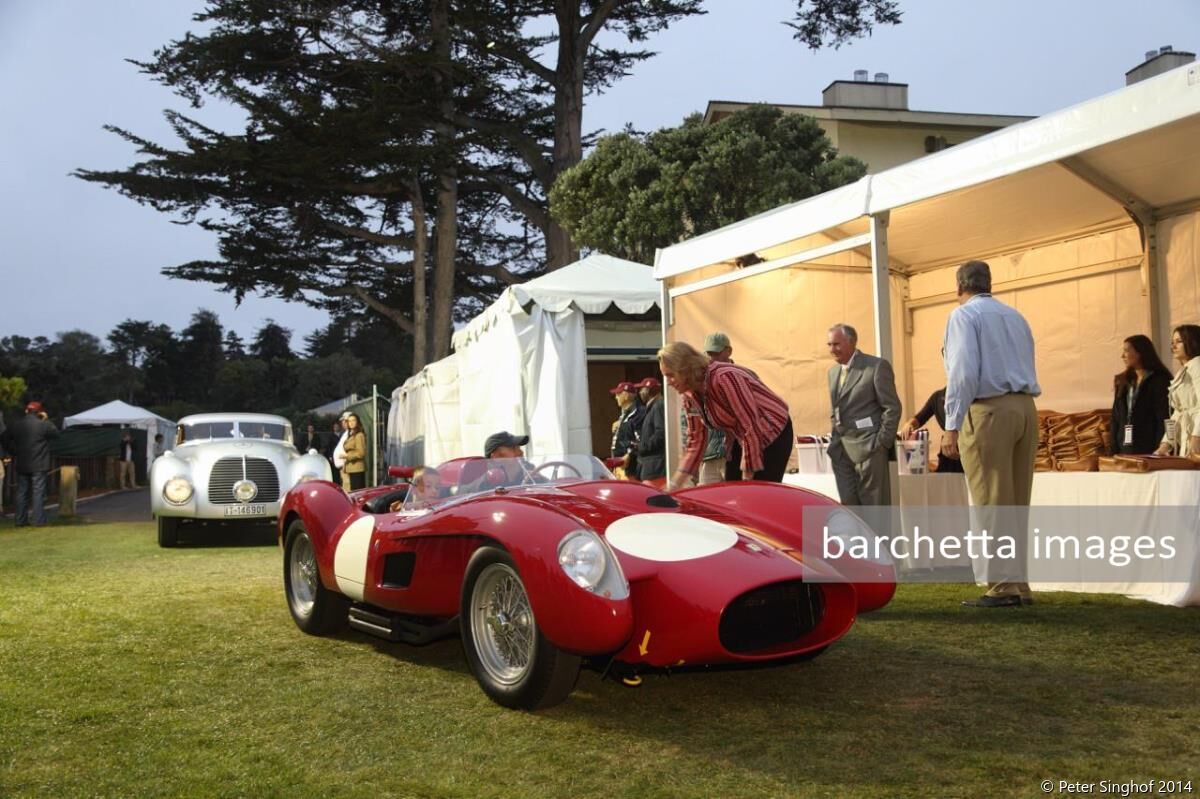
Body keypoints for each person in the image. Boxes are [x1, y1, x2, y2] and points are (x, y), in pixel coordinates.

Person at [942, 260, 1041, 608]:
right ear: (990, 283)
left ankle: (1002, 586)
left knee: (991, 501)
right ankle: (1019, 583)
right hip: (1025, 407)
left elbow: (963, 373)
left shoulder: (964, 316)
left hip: (989, 410)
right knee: (1016, 502)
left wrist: (951, 424)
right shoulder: (1016, 316)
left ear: (959, 287)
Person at [660, 342, 793, 491]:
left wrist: (748, 476)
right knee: (734, 490)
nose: (668, 383)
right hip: (742, 434)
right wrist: (674, 484)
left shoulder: (724, 377)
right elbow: (696, 441)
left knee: (756, 492)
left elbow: (749, 424)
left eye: (670, 375)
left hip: (772, 431)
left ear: (684, 369)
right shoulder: (690, 394)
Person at [826, 323, 902, 505]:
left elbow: (892, 408)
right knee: (850, 508)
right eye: (829, 345)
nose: (832, 350)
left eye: (836, 344)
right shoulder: (833, 373)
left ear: (851, 342)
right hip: (841, 451)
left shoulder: (876, 367)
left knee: (874, 511)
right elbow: (836, 409)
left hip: (869, 449)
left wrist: (881, 443)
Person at [1110, 334, 1171, 455]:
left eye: (1127, 351)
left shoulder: (1160, 380)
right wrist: (1112, 449)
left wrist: (1160, 447)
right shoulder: (1122, 380)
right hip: (1123, 445)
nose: (1123, 356)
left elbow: (1163, 416)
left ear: (1140, 353)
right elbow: (1115, 417)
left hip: (1149, 446)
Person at [7, 401, 60, 527]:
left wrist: (14, 451)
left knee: (21, 492)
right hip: (39, 463)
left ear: (26, 411)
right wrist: (46, 420)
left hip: (22, 462)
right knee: (38, 492)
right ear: (39, 412)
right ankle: (38, 520)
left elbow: (4, 439)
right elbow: (56, 434)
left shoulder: (17, 424)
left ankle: (20, 520)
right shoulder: (43, 425)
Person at [1154, 324, 1200, 457]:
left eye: (1179, 342)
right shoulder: (1184, 370)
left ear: (1193, 342)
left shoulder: (1197, 364)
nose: (1173, 346)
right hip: (1189, 435)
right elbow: (1177, 414)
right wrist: (1166, 444)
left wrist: (1197, 436)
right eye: (1172, 342)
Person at [899, 387, 963, 473]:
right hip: (948, 449)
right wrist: (909, 424)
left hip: (967, 446)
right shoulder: (937, 397)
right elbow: (920, 418)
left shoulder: (966, 394)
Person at [635, 377, 666, 486]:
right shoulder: (652, 407)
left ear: (649, 390)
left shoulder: (658, 406)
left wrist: (642, 447)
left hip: (655, 467)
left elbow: (660, 433)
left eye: (642, 389)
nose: (639, 393)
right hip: (650, 466)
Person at [608, 381, 642, 478]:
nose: (616, 397)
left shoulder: (638, 413)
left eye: (618, 394)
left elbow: (639, 439)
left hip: (629, 466)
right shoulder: (624, 414)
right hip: (618, 465)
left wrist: (629, 455)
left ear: (626, 395)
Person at [342, 412, 368, 491]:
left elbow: (361, 453)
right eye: (349, 421)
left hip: (357, 468)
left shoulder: (359, 435)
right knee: (354, 492)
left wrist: (347, 456)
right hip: (352, 468)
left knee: (358, 493)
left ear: (357, 422)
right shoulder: (351, 434)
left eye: (353, 420)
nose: (351, 423)